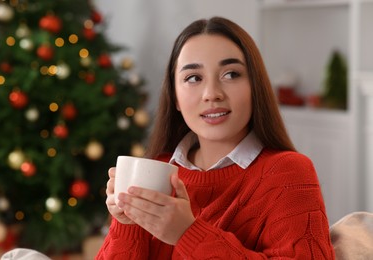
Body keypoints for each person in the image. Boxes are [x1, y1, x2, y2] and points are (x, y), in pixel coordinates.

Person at [96, 16, 335, 259]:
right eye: (193, 78)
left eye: (231, 74)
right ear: (175, 97)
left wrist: (187, 233)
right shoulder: (157, 171)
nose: (212, 94)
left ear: (255, 87)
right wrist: (125, 224)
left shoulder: (289, 172)